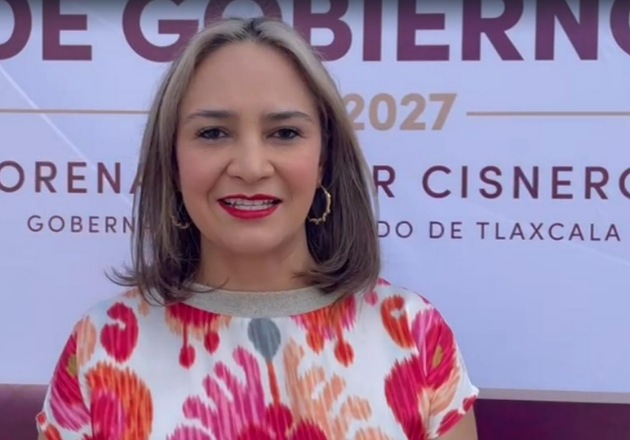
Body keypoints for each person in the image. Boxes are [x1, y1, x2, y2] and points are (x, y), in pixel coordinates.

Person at [36, 16, 479, 440]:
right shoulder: (99, 347)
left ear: (323, 159)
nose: (251, 167)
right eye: (213, 133)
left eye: (284, 133)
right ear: (172, 161)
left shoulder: (413, 335)